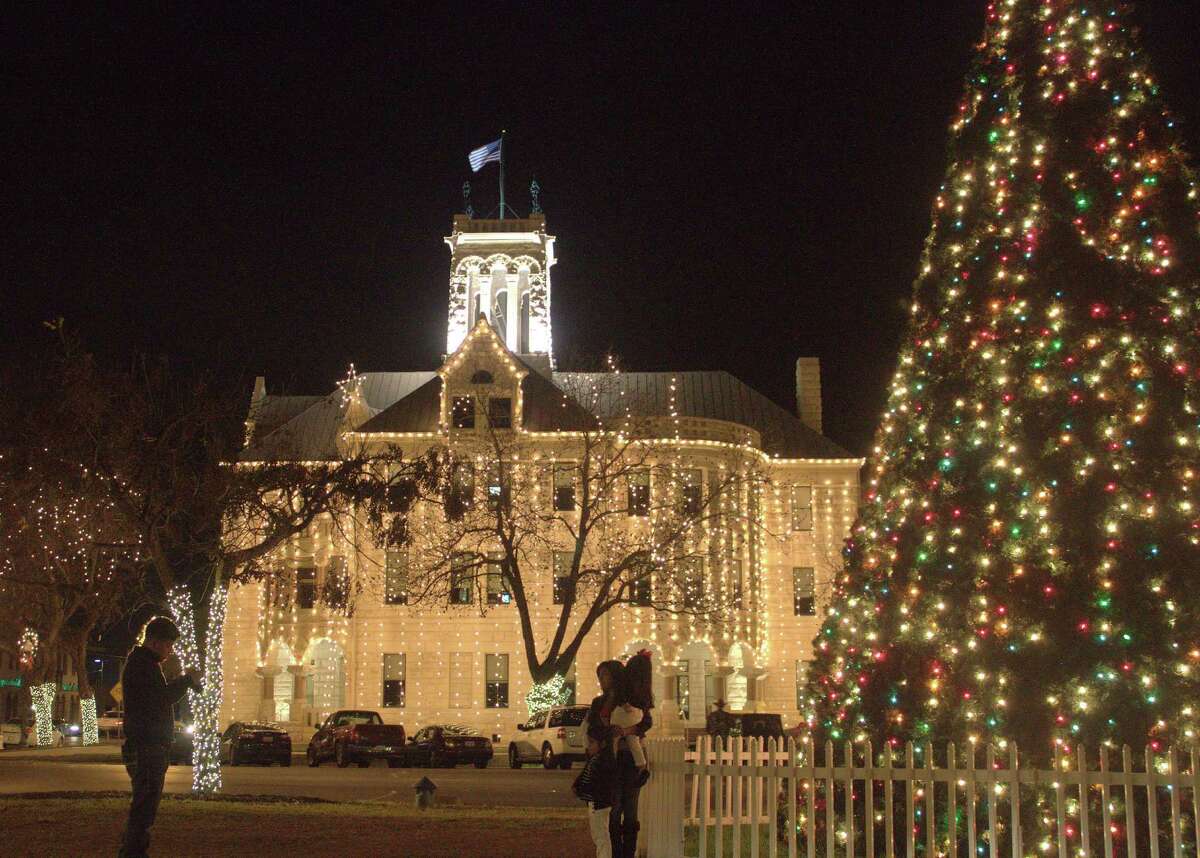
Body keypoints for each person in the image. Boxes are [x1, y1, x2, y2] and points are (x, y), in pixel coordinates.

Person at [118, 616, 202, 858]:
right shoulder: (142, 665)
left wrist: (185, 682)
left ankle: (133, 849)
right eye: (168, 645)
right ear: (154, 642)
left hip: (151, 746)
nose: (170, 650)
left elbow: (159, 696)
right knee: (144, 804)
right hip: (147, 747)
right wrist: (186, 681)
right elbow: (160, 699)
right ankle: (132, 852)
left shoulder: (146, 664)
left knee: (145, 804)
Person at [587, 659, 651, 858]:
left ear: (615, 676)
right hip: (609, 760)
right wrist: (606, 733)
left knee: (630, 809)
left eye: (605, 675)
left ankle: (629, 852)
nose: (602, 680)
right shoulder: (599, 702)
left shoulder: (631, 699)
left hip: (629, 759)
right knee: (613, 810)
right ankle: (616, 852)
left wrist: (629, 730)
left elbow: (646, 721)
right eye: (600, 676)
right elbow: (592, 728)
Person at [609, 651, 653, 786]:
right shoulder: (643, 690)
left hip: (621, 714)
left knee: (618, 741)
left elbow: (618, 696)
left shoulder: (623, 683)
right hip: (634, 715)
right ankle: (642, 765)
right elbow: (647, 721)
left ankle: (614, 760)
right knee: (636, 740)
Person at [573, 726, 617, 858]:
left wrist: (581, 790)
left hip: (598, 804)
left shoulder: (600, 762)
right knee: (599, 835)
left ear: (602, 744)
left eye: (592, 743)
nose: (589, 746)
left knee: (601, 836)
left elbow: (595, 784)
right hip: (597, 803)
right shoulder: (597, 760)